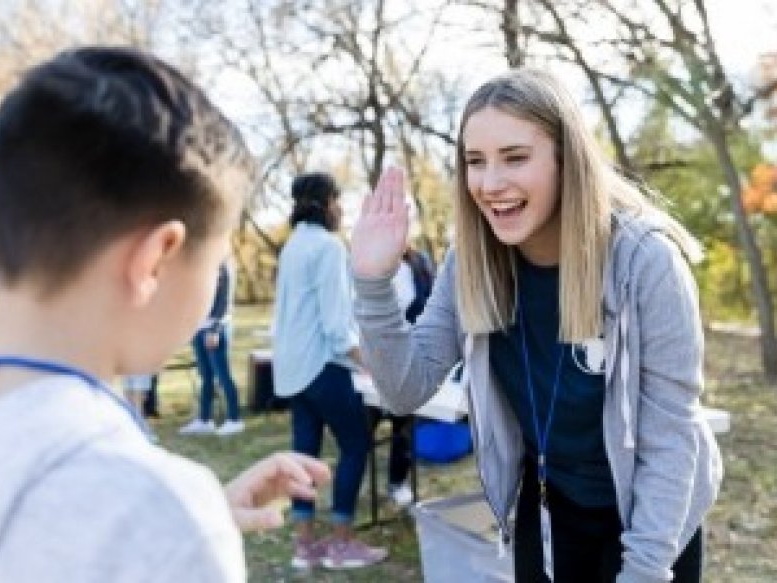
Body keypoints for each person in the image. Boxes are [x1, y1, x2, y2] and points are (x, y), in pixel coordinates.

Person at [0, 47, 331, 582]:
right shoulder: (154, 510)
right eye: (214, 261)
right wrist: (180, 533)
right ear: (156, 259)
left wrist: (190, 525)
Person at [351, 69, 722, 583]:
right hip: (548, 505)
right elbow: (402, 389)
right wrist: (373, 282)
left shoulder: (644, 262)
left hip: (653, 517)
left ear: (566, 160)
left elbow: (671, 440)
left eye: (515, 157)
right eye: (474, 162)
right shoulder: (473, 262)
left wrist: (642, 573)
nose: (490, 183)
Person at [271, 172, 387, 570]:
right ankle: (341, 544)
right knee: (356, 445)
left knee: (304, 457)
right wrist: (368, 361)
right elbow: (337, 326)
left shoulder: (292, 247)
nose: (342, 208)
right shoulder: (328, 247)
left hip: (292, 372)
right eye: (339, 200)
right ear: (326, 203)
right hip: (322, 366)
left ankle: (304, 547)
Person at [367, 246, 435, 508]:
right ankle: (376, 477)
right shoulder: (377, 265)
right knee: (380, 424)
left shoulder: (413, 265)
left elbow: (415, 304)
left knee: (402, 425)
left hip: (404, 354)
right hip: (383, 356)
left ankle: (397, 482)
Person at [179, 261, 245, 436]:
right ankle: (204, 419)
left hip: (217, 328)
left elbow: (224, 301)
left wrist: (215, 329)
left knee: (222, 375)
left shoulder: (224, 265)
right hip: (200, 327)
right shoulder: (206, 262)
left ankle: (234, 419)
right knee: (205, 376)